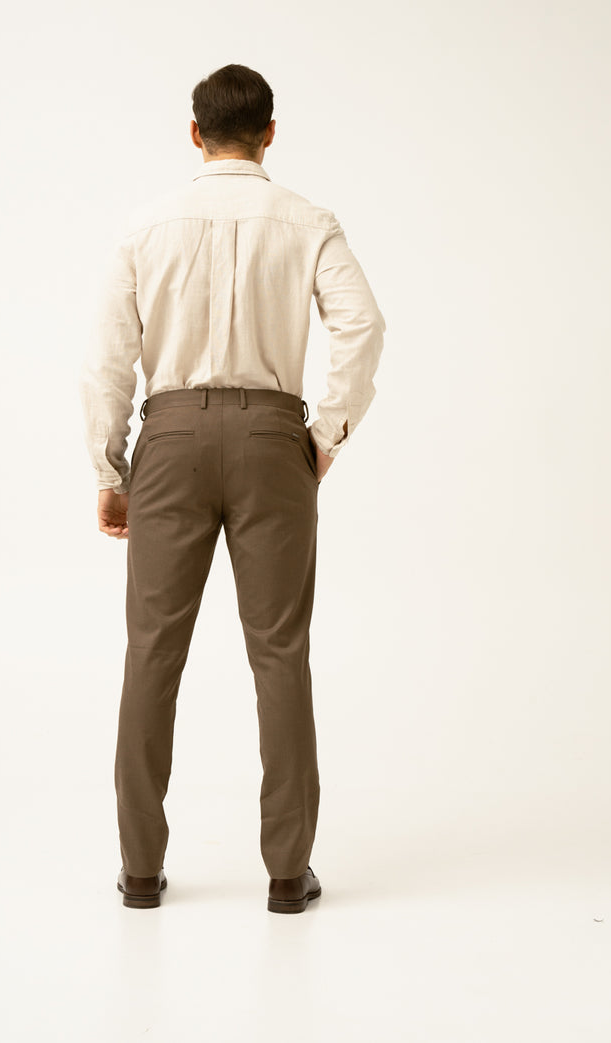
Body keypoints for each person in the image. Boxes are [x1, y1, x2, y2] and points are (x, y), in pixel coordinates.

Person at [78, 63, 386, 913]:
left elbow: (106, 360)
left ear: (194, 133)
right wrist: (326, 434)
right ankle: (287, 872)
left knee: (151, 650)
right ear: (270, 133)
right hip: (271, 439)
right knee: (280, 651)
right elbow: (362, 324)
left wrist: (111, 471)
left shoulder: (146, 226)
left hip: (171, 440)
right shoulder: (308, 220)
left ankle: (141, 870)